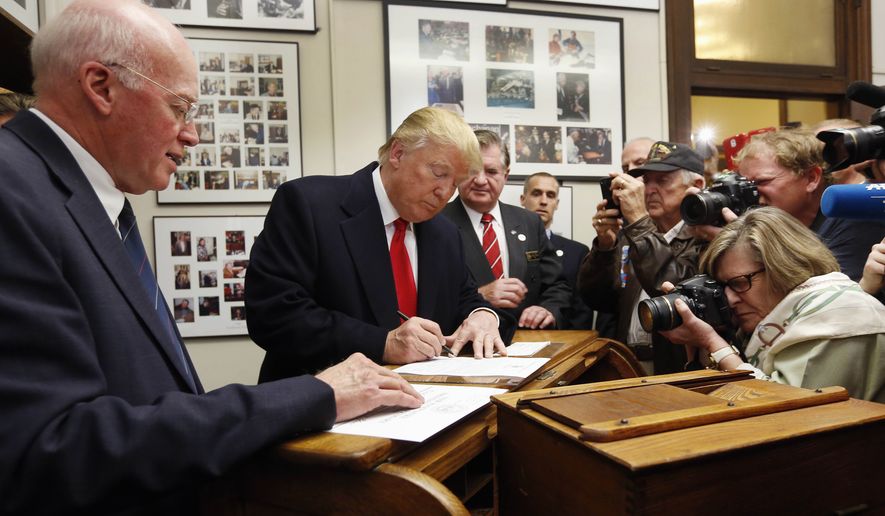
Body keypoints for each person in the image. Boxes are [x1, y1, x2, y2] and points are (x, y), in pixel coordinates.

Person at [0, 2, 422, 513]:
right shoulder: (13, 191)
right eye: (179, 107)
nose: (192, 134)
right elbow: (49, 449)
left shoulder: (85, 200)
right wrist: (314, 395)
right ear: (101, 86)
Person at [246, 107, 510, 382]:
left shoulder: (444, 233)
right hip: (322, 406)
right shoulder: (309, 205)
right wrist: (383, 343)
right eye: (438, 173)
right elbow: (274, 314)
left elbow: (464, 299)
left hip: (426, 405)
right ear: (397, 153)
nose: (445, 192)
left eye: (455, 183)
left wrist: (484, 315)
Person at [659, 207, 885, 402]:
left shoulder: (839, 317)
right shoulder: (779, 318)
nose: (729, 299)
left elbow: (788, 415)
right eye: (722, 287)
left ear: (783, 266)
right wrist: (701, 343)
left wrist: (714, 344)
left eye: (738, 283)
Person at [579, 141, 706, 374]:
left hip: (677, 367)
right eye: (647, 181)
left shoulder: (706, 238)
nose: (649, 190)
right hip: (625, 362)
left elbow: (676, 296)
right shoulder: (632, 235)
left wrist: (639, 222)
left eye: (663, 180)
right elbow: (597, 298)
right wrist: (605, 247)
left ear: (696, 186)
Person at [443, 130, 571, 329]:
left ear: (506, 174)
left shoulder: (529, 222)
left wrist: (547, 309)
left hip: (526, 343)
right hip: (463, 345)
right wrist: (480, 296)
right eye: (472, 170)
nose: (480, 180)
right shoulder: (436, 222)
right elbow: (426, 297)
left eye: (491, 171)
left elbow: (556, 285)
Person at [721, 128, 885, 281]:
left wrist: (746, 249)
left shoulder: (851, 218)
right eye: (745, 186)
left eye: (762, 182)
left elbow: (822, 299)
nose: (752, 193)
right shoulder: (783, 226)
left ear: (811, 178)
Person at [520, 172, 593, 329]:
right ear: (523, 199)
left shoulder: (577, 252)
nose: (544, 201)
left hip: (564, 341)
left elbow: (581, 312)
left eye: (550, 195)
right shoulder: (506, 246)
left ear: (557, 203)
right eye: (536, 193)